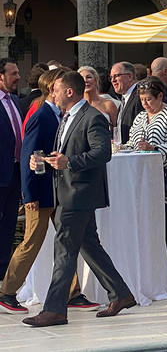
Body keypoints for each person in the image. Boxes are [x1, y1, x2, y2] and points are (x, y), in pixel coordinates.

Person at [23, 71, 135, 327]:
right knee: (89, 246)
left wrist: (70, 162)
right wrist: (45, 160)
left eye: (56, 90)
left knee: (64, 250)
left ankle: (54, 309)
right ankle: (120, 294)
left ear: (69, 92)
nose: (53, 94)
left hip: (78, 195)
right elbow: (65, 153)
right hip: (67, 191)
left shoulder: (92, 117)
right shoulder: (68, 117)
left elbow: (102, 152)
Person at [0, 68, 99, 314]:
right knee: (32, 241)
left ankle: (72, 292)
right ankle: (7, 291)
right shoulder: (41, 115)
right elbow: (27, 156)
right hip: (41, 194)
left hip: (58, 192)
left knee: (67, 240)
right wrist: (29, 194)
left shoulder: (59, 115)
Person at [128, 77, 167, 279]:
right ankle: (148, 269)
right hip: (142, 180)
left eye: (149, 99)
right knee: (146, 228)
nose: (145, 103)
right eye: (142, 99)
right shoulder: (139, 117)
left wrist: (155, 149)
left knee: (166, 227)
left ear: (160, 96)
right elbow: (132, 141)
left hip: (165, 180)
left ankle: (166, 271)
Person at [0, 58, 21, 281]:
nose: (18, 77)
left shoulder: (15, 100)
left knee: (8, 227)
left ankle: (3, 276)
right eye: (13, 73)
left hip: (15, 174)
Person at [111, 61, 143, 144]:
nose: (113, 80)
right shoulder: (124, 98)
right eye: (111, 77)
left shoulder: (140, 96)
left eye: (116, 76)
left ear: (129, 76)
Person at [78, 66, 118, 131]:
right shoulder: (76, 105)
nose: (85, 80)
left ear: (96, 81)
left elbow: (117, 130)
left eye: (89, 77)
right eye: (82, 78)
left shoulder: (108, 105)